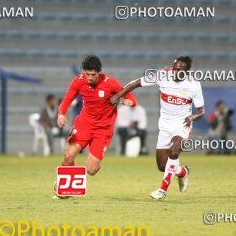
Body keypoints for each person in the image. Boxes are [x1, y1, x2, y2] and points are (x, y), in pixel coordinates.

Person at [110, 56, 205, 200]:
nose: (176, 71)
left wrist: (192, 117)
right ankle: (182, 172)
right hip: (165, 125)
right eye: (175, 68)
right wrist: (118, 95)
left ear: (187, 72)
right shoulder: (162, 75)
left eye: (180, 69)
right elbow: (137, 83)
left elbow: (201, 111)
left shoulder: (194, 85)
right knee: (162, 166)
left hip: (182, 125)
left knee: (174, 151)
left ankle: (162, 189)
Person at [53, 55, 137, 197]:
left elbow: (131, 97)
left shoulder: (111, 83)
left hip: (103, 130)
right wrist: (61, 114)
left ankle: (89, 168)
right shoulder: (78, 81)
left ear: (99, 73)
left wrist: (130, 102)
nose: (90, 78)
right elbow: (67, 99)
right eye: (87, 74)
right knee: (68, 156)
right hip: (84, 124)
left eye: (93, 75)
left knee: (91, 170)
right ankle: (64, 184)